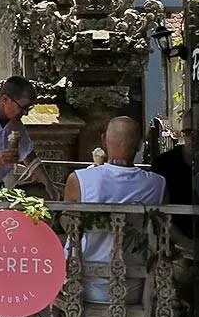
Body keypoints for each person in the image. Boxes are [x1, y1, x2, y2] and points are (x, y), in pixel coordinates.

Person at [64, 117, 166, 303]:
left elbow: (67, 227)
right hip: (134, 285)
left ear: (103, 140)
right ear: (140, 145)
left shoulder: (79, 180)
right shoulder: (158, 184)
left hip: (82, 283)